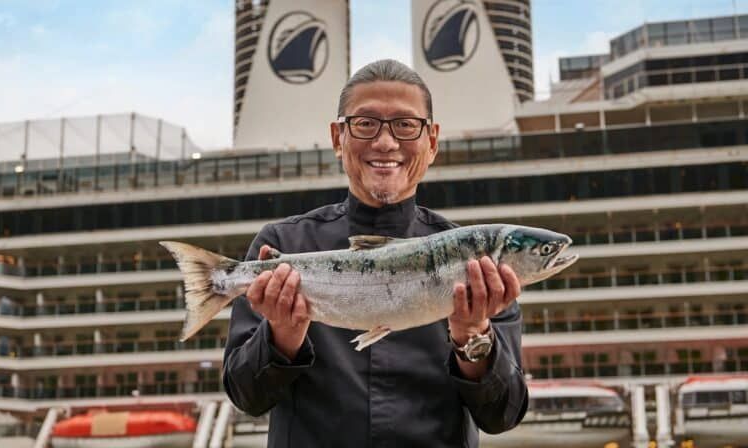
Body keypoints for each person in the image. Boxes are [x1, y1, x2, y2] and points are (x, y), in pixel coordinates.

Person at [223, 59, 528, 447]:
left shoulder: (478, 260)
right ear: (338, 137)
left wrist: (472, 337)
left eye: (405, 124)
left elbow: (503, 414)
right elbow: (245, 396)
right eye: (365, 124)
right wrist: (281, 337)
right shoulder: (283, 247)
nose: (385, 142)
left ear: (431, 141)